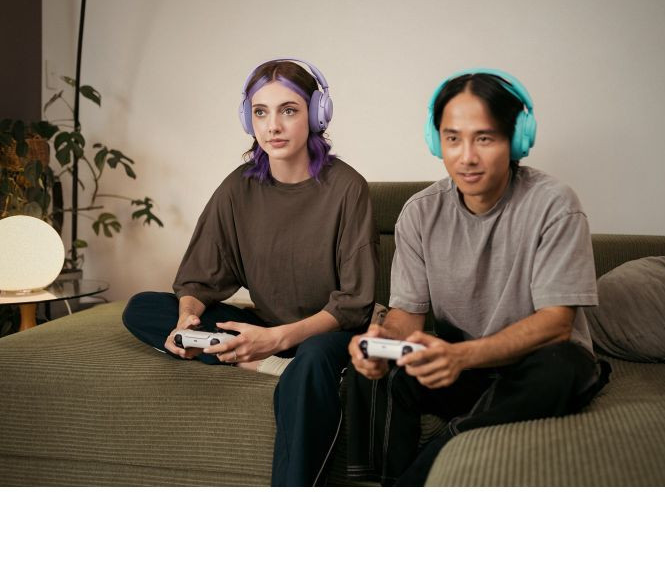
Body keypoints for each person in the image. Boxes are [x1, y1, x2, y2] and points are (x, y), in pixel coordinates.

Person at [346, 68, 611, 486]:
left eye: (484, 138)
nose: (466, 156)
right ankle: (371, 484)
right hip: (463, 366)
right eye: (453, 138)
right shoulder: (419, 212)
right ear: (436, 141)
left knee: (562, 368)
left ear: (516, 140)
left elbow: (557, 324)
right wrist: (380, 343)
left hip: (535, 364)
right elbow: (406, 317)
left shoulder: (555, 205)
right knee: (371, 368)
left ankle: (434, 463)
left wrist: (462, 357)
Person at [123, 58, 378, 486]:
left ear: (317, 115)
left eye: (288, 110)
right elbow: (198, 278)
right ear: (248, 118)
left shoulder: (348, 188)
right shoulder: (238, 188)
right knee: (143, 308)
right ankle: (263, 359)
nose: (272, 126)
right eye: (261, 112)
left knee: (313, 359)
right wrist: (187, 318)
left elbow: (354, 304)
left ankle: (270, 366)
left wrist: (278, 340)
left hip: (328, 333)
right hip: (267, 326)